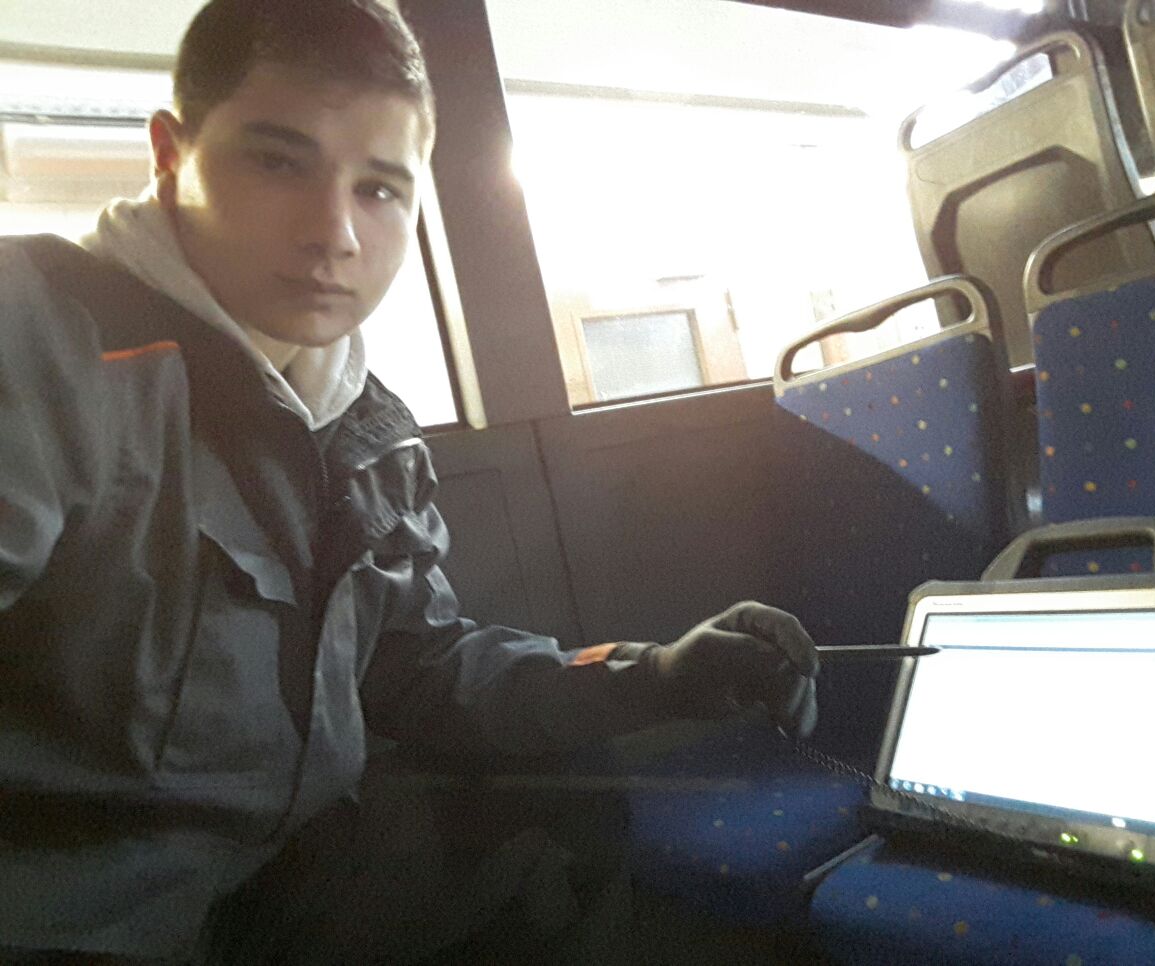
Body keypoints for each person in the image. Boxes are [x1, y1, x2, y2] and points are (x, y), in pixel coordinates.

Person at [0, 0, 820, 962]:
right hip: (83, 923)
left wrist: (661, 674)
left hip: (282, 880)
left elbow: (420, 667)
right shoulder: (42, 340)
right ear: (170, 154)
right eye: (279, 162)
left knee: (559, 824)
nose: (334, 232)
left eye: (381, 189)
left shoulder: (369, 431)